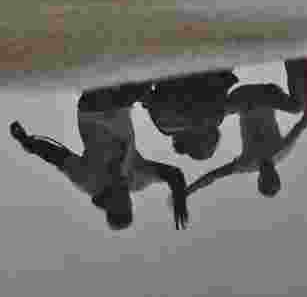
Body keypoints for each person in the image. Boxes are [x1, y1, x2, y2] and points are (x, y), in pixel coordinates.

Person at [10, 83, 189, 230]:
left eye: (120, 203)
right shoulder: (138, 179)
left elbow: (56, 155)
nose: (125, 196)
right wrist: (180, 197)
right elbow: (173, 174)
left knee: (119, 92)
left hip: (92, 111)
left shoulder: (87, 181)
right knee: (143, 86)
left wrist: (28, 143)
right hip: (120, 107)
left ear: (109, 205)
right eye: (128, 202)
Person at [186, 82, 307, 200]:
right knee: (297, 108)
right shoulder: (282, 151)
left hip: (242, 99)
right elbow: (303, 123)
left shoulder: (246, 164)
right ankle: (295, 63)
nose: (269, 175)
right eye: (273, 178)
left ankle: (199, 87)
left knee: (209, 117)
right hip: (265, 95)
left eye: (267, 180)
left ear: (260, 179)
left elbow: (213, 176)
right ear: (277, 176)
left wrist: (188, 191)